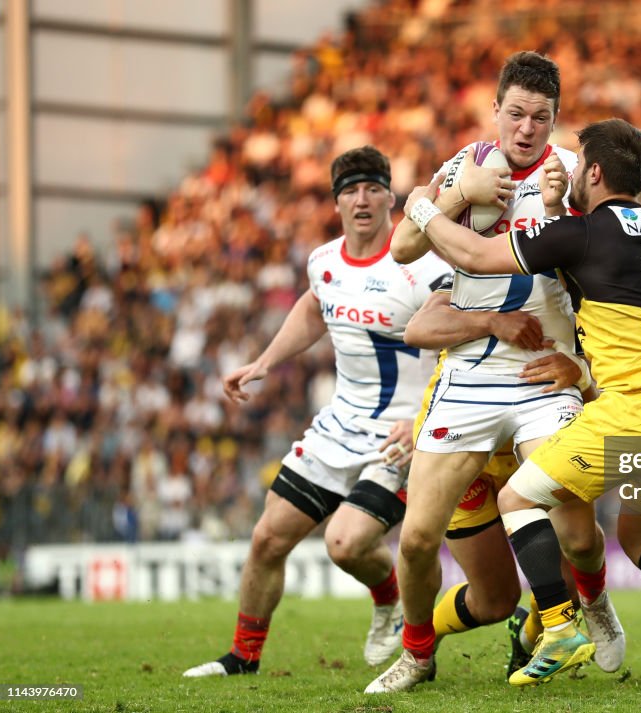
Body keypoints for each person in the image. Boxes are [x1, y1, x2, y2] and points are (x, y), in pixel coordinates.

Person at [400, 118, 641, 696]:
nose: (570, 172)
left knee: (516, 498)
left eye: (579, 166)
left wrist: (424, 210)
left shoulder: (582, 233)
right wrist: (579, 367)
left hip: (634, 410)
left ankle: (557, 629)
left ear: (597, 173)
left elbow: (479, 258)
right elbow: (620, 316)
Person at [366, 52, 624, 694]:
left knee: (578, 533)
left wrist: (568, 214)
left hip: (544, 377)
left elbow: (604, 268)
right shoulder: (465, 165)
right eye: (516, 113)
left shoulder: (573, 175)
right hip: (471, 378)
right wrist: (457, 195)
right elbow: (400, 248)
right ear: (496, 111)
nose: (527, 127)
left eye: (541, 116)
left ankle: (591, 601)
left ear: (555, 119)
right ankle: (418, 653)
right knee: (419, 538)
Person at [183, 146, 452, 677]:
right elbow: (314, 306)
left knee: (345, 544)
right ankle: (243, 658)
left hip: (402, 435)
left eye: (373, 188)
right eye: (350, 190)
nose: (362, 199)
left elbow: (459, 340)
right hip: (338, 426)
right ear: (336, 203)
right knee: (267, 538)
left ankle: (388, 597)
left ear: (390, 197)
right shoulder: (324, 263)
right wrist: (264, 361)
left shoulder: (424, 266)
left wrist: (424, 415)